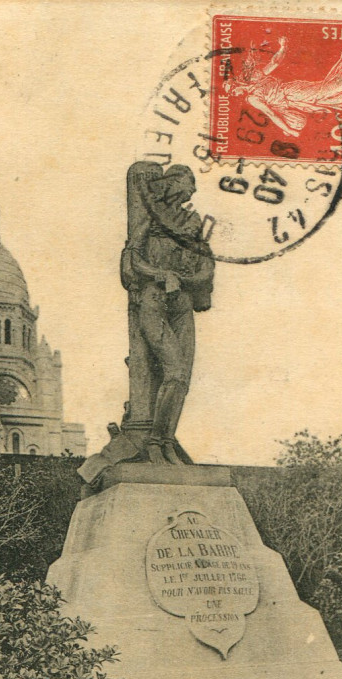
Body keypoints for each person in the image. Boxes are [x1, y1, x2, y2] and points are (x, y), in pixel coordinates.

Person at [121, 162, 214, 464]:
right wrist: (160, 274)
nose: (193, 190)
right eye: (189, 182)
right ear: (173, 184)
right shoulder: (151, 221)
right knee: (173, 372)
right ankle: (154, 442)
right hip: (154, 302)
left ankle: (166, 441)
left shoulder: (193, 224)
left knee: (182, 379)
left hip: (182, 304)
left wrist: (182, 280)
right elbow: (132, 258)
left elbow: (206, 270)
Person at [226, 38, 342, 137]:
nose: (235, 94)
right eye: (232, 94)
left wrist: (283, 47)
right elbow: (273, 113)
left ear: (236, 85)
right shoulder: (253, 90)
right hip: (293, 100)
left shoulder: (253, 91)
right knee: (328, 100)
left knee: (327, 90)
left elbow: (271, 113)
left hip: (291, 93)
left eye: (233, 91)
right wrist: (287, 127)